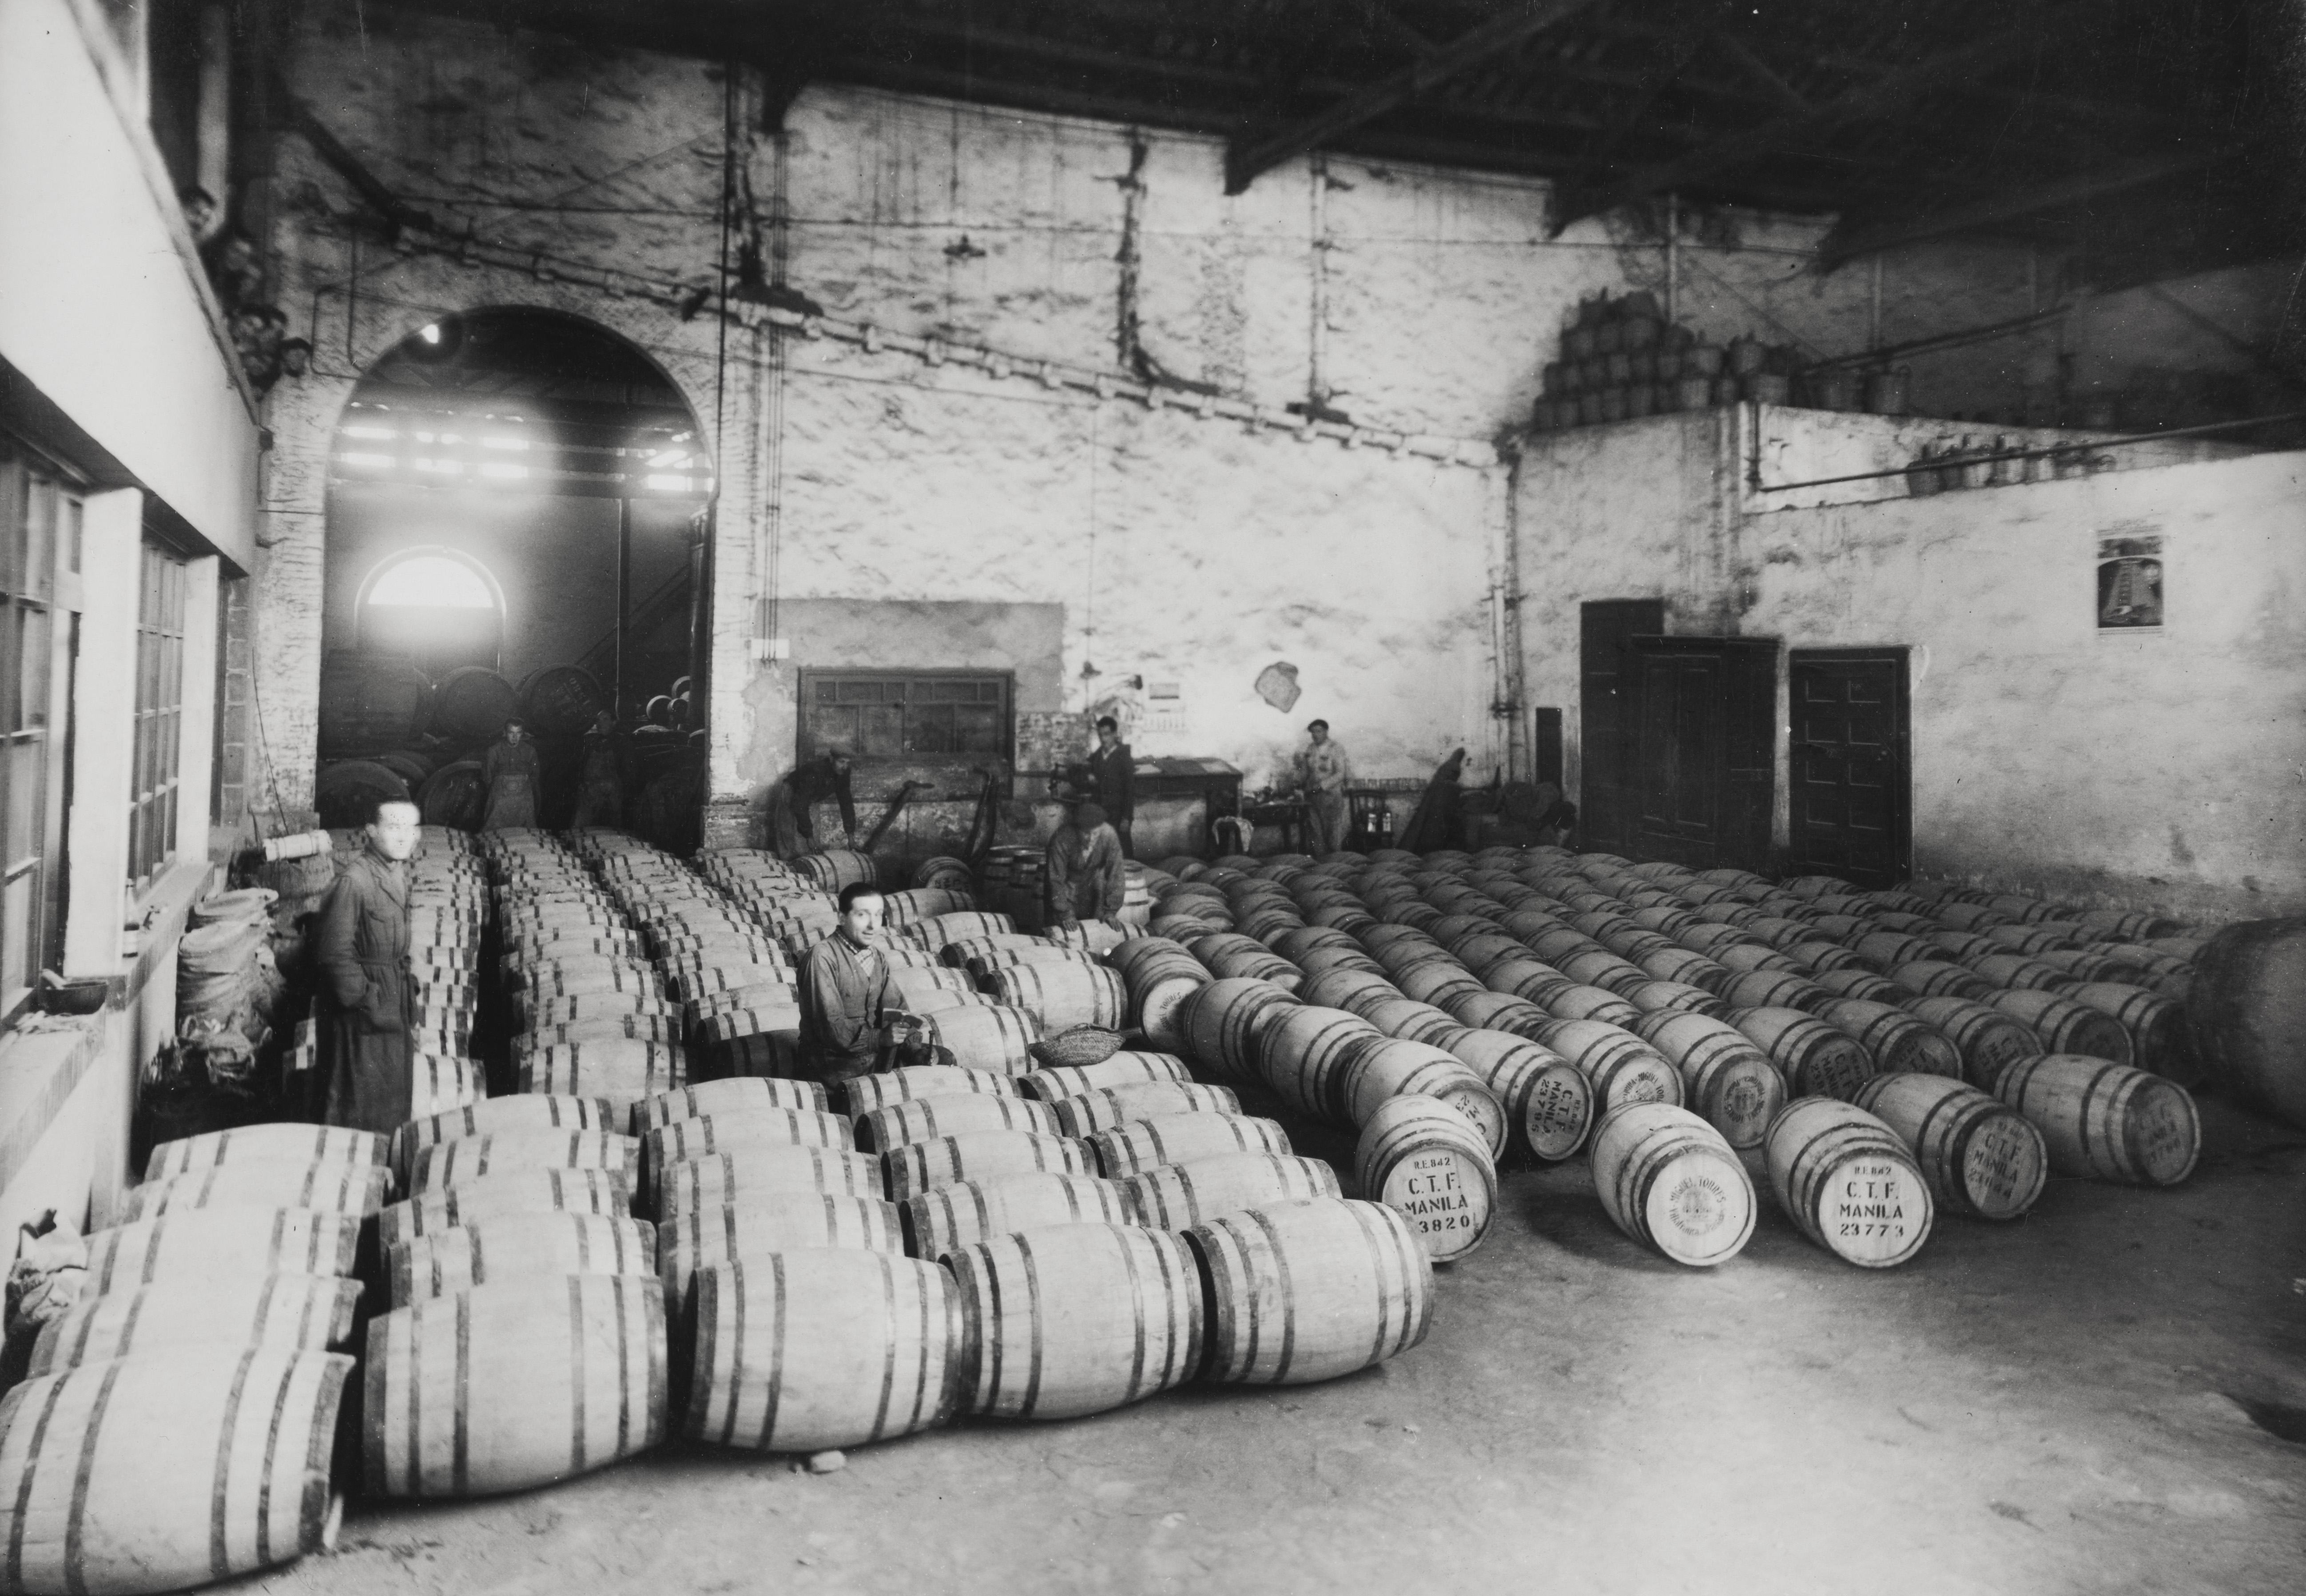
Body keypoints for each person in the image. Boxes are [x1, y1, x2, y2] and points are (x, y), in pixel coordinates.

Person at [313, 799, 418, 1133]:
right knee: (356, 1101)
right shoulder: (354, 882)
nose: (403, 837)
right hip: (362, 1014)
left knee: (391, 1097)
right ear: (372, 832)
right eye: (393, 827)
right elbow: (333, 953)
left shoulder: (397, 874)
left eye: (410, 828)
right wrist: (366, 998)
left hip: (391, 999)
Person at [795, 884, 930, 1084]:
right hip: (830, 1077)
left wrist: (914, 1049)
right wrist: (880, 1039)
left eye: (878, 915)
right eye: (862, 915)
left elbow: (897, 1008)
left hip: (871, 1071)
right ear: (842, 918)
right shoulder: (822, 957)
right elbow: (830, 1028)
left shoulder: (876, 957)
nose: (872, 925)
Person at [1045, 800, 1125, 930]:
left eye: (1095, 834)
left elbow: (1117, 874)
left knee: (1091, 932)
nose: (1091, 839)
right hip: (1064, 891)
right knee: (1061, 937)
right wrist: (1064, 913)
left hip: (1090, 890)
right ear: (1077, 830)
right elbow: (1055, 879)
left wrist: (1111, 911)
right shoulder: (1062, 838)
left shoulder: (1109, 835)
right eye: (1086, 834)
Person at [770, 748, 856, 858]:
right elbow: (800, 804)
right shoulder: (816, 771)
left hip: (812, 797)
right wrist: (809, 838)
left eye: (848, 763)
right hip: (792, 792)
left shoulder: (844, 773)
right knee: (790, 834)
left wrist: (851, 837)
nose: (845, 767)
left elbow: (847, 804)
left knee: (813, 838)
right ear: (831, 759)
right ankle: (788, 866)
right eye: (841, 762)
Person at [1295, 719, 1352, 855]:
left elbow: (1341, 774)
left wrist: (1321, 786)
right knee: (1316, 834)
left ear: (1326, 732)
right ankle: (1321, 867)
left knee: (1333, 835)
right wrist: (1298, 783)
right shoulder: (1311, 749)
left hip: (1331, 797)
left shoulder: (1336, 748)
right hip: (1313, 797)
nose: (1315, 735)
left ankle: (1335, 865)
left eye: (1319, 731)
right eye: (1313, 732)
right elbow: (1306, 771)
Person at [1084, 716, 1136, 859]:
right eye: (1101, 735)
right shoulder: (1098, 756)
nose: (1103, 739)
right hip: (1101, 812)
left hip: (1118, 814)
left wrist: (1127, 817)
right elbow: (1085, 768)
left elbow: (1129, 790)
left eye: (1107, 735)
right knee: (1103, 852)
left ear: (1114, 734)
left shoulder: (1124, 757)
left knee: (1123, 852)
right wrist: (1089, 776)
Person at [480, 719, 540, 829]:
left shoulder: (530, 752)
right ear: (505, 733)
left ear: (523, 734)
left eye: (518, 733)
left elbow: (535, 777)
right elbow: (487, 777)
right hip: (500, 798)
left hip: (523, 798)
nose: (515, 737)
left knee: (527, 828)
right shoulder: (494, 751)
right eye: (511, 733)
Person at [571, 711, 623, 828]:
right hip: (589, 795)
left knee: (610, 833)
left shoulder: (622, 743)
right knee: (581, 831)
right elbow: (581, 767)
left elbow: (629, 773)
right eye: (598, 721)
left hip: (612, 797)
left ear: (614, 722)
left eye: (605, 719)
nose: (601, 724)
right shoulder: (591, 741)